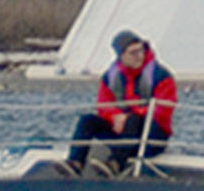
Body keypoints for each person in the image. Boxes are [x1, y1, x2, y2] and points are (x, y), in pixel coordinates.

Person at [69, 30, 177, 174]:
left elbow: (163, 111)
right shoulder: (110, 78)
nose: (139, 56)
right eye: (133, 53)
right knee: (87, 121)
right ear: (121, 56)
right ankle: (75, 163)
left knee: (133, 120)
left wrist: (129, 117)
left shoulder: (161, 76)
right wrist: (115, 117)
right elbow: (103, 106)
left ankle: (115, 164)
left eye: (141, 51)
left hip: (152, 136)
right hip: (122, 133)